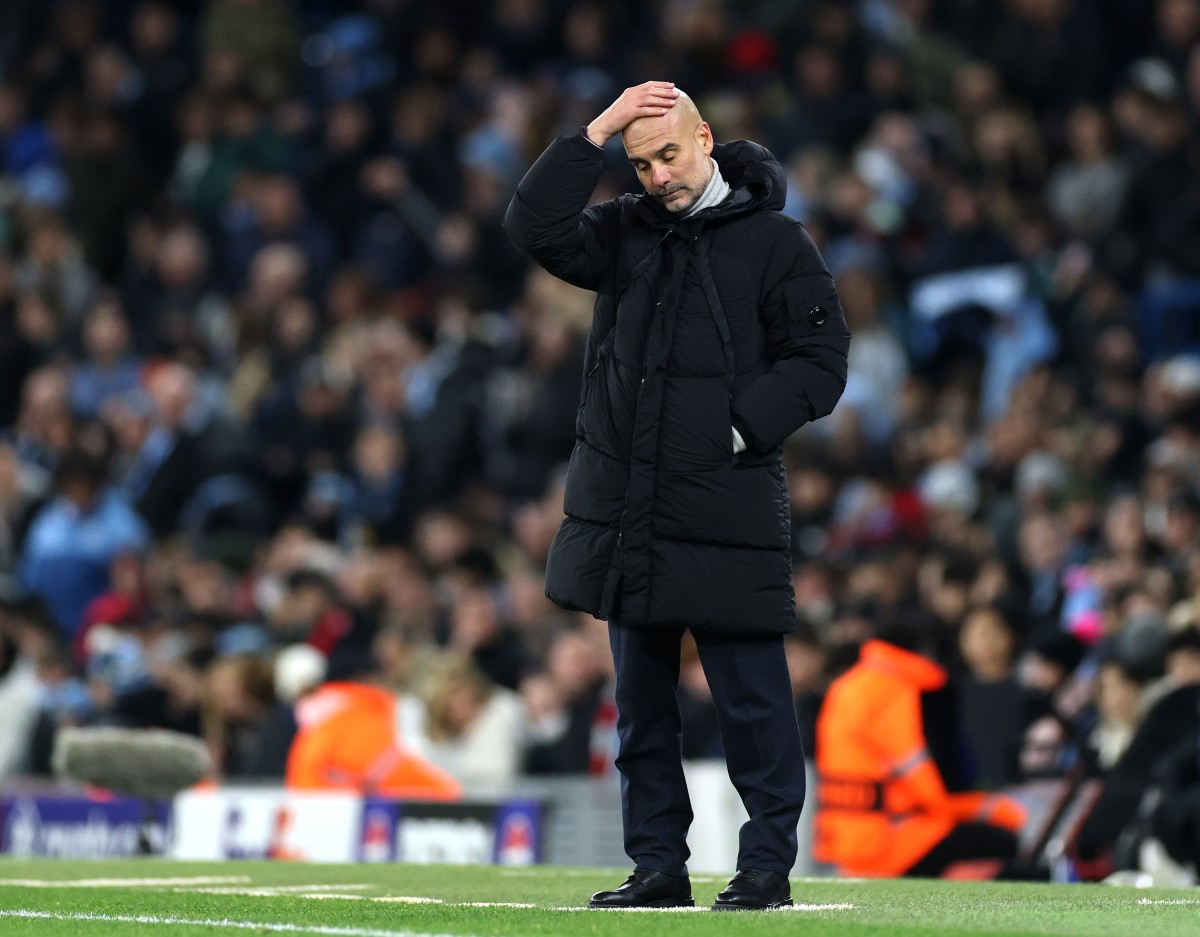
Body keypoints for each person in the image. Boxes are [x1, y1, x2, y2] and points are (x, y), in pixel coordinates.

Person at [504, 82, 850, 910]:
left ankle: (765, 869)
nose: (658, 176)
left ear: (706, 136)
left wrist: (732, 432)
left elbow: (819, 360)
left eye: (669, 154)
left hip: (724, 503)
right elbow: (532, 227)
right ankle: (658, 866)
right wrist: (592, 133)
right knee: (641, 714)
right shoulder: (624, 231)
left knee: (754, 707)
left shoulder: (776, 243)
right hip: (633, 512)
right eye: (641, 162)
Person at [814, 625, 1027, 878]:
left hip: (850, 841)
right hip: (893, 840)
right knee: (1004, 838)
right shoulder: (893, 690)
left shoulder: (848, 685)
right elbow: (921, 782)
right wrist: (981, 807)